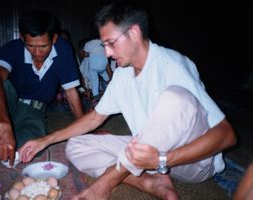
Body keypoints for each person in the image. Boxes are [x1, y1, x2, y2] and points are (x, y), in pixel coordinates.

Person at [19, 2, 236, 200]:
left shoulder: (173, 65)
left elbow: (227, 136)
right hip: (149, 155)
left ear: (133, 32)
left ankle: (110, 180)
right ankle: (149, 183)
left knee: (175, 98)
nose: (107, 53)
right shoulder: (123, 72)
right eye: (104, 45)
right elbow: (95, 117)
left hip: (191, 161)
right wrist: (46, 140)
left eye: (110, 43)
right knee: (76, 145)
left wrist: (162, 160)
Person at [0, 10, 83, 166]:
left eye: (43, 46)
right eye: (31, 46)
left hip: (33, 112)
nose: (37, 52)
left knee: (31, 146)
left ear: (54, 38)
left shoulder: (63, 49)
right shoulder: (11, 48)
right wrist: (4, 124)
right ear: (22, 38)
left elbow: (71, 92)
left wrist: (84, 127)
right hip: (7, 106)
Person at [83, 27, 110, 105]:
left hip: (94, 67)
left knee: (95, 80)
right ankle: (110, 84)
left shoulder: (88, 44)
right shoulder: (104, 42)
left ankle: (96, 97)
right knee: (104, 74)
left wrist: (89, 54)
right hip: (103, 65)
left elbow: (85, 55)